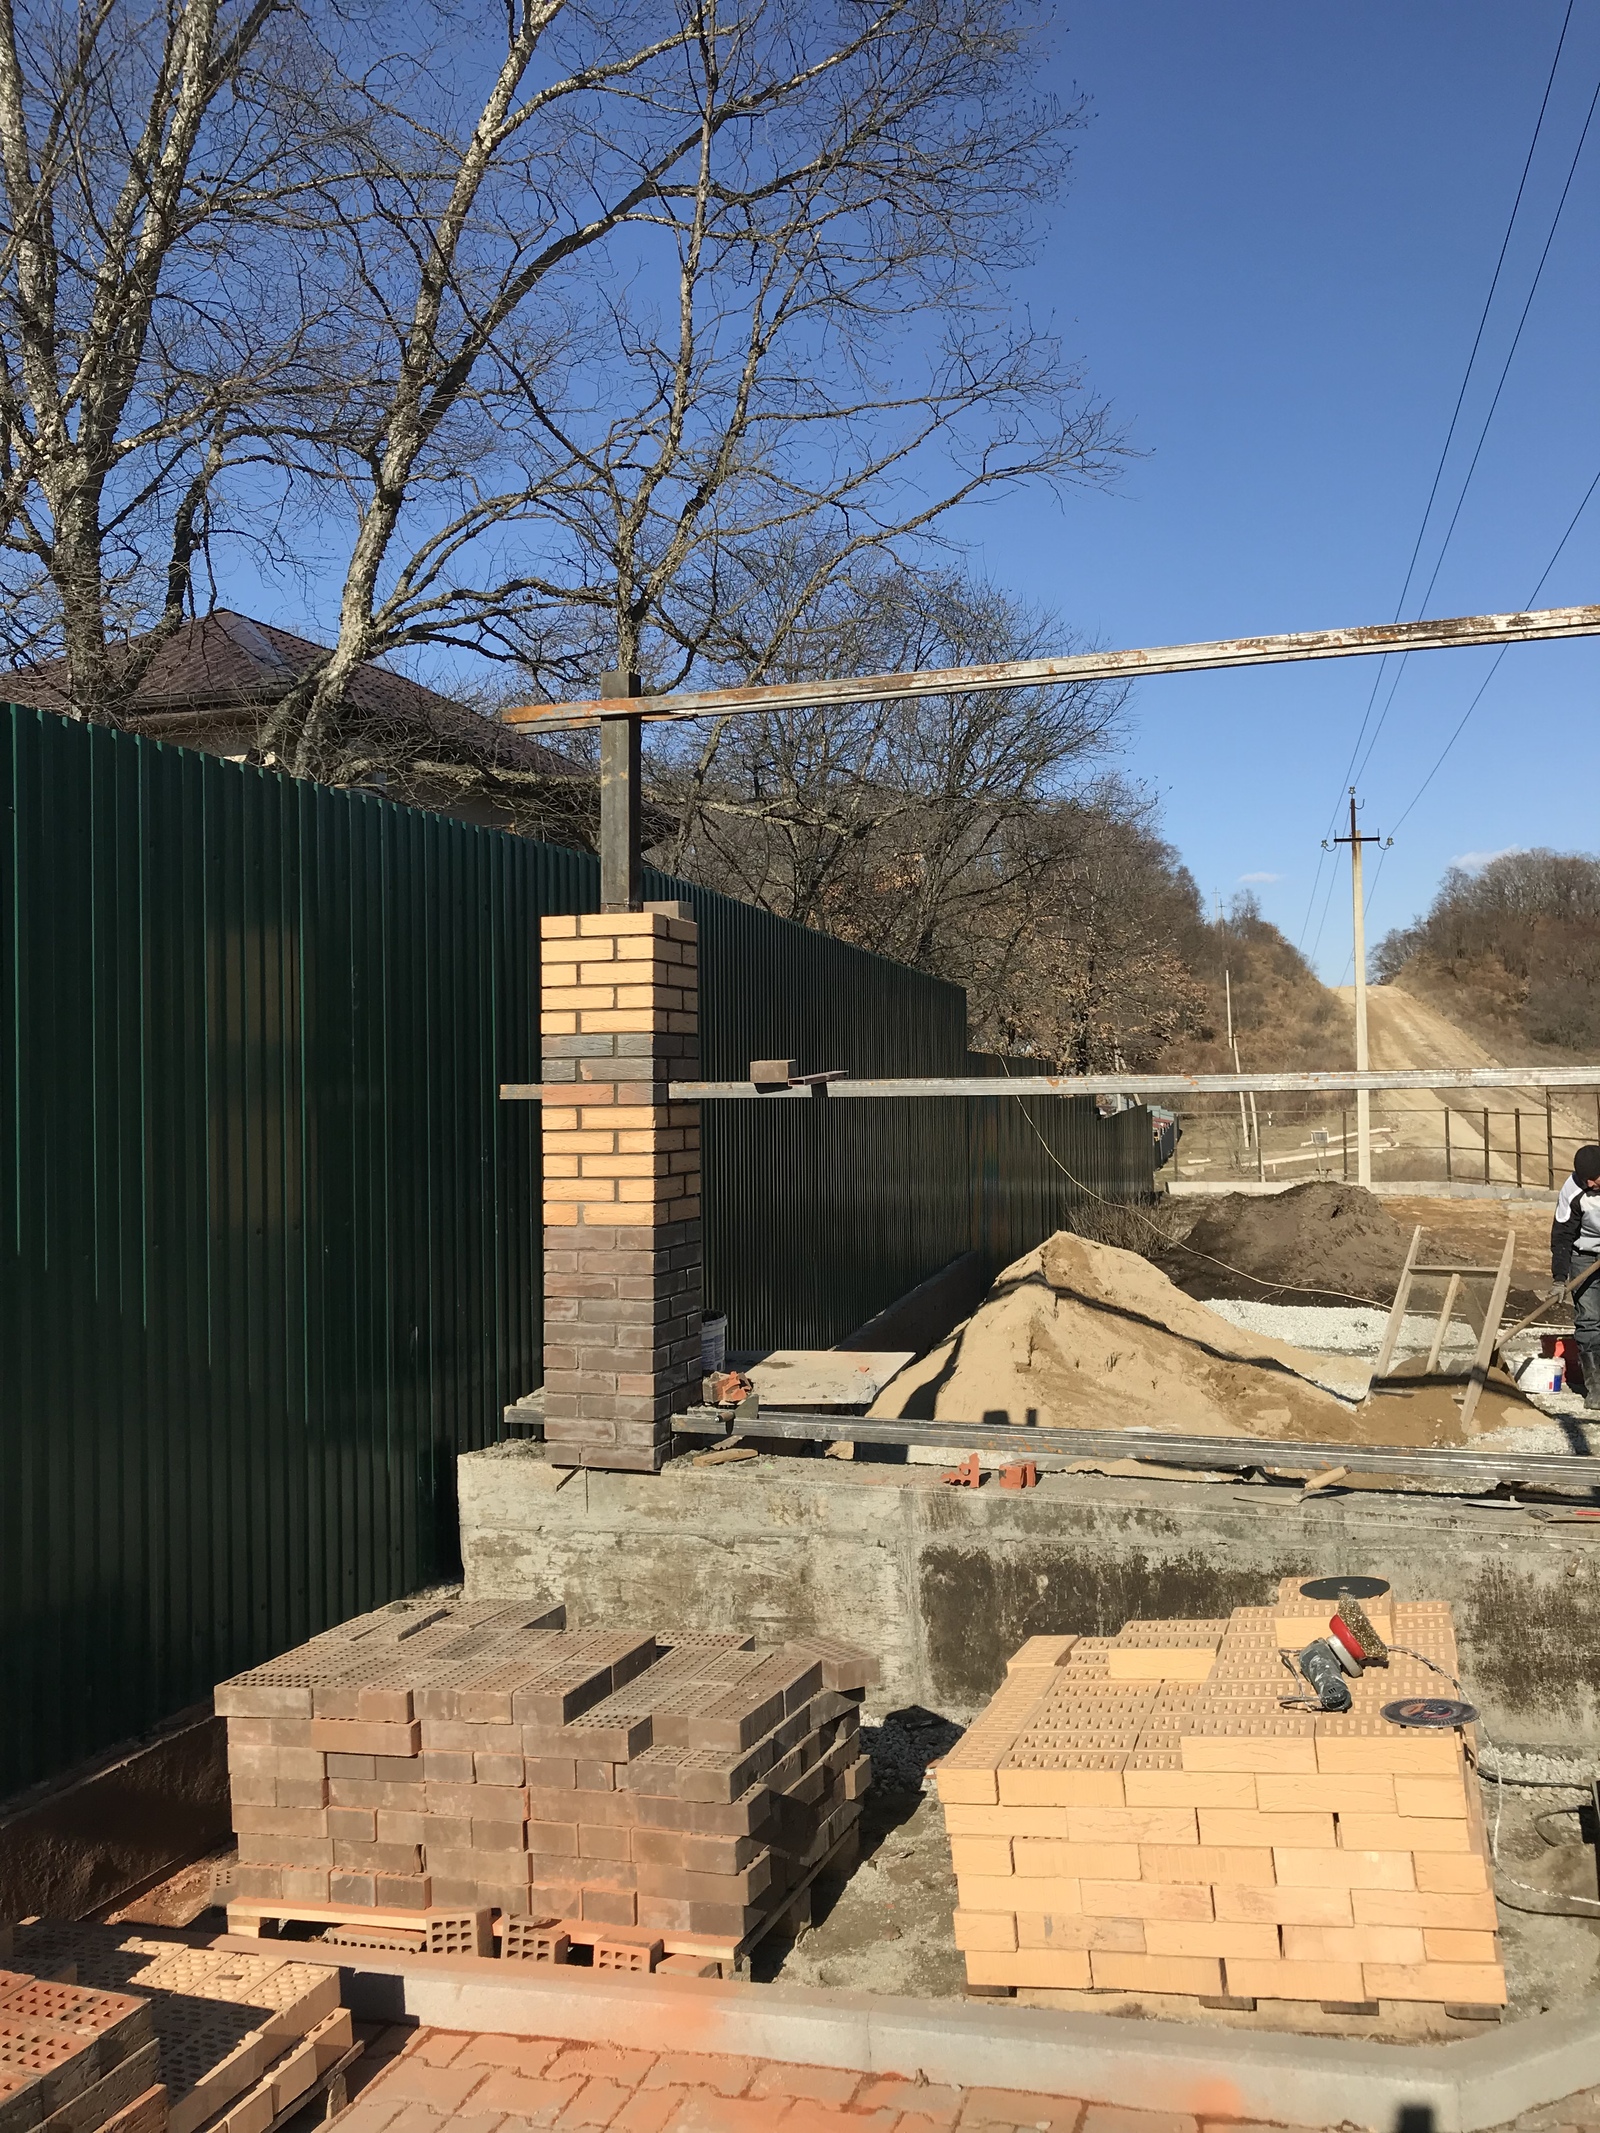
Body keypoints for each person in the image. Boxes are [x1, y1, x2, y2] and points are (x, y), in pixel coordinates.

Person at [1551, 1143, 1600, 1412]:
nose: (1590, 1183)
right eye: (1585, 1179)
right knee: (1589, 1320)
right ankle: (1597, 1389)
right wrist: (1559, 1277)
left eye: (1594, 1178)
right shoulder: (1573, 1190)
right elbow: (1562, 1236)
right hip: (1584, 1256)